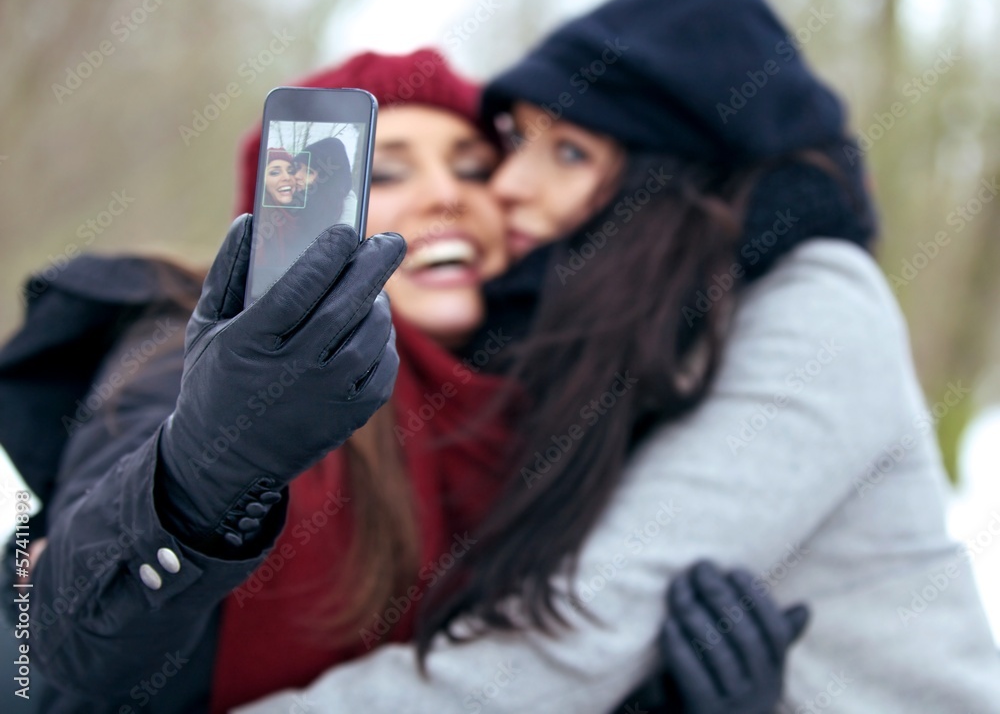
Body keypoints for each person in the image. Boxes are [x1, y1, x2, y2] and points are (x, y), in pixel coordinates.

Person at [233, 0, 1000, 714]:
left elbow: (571, 644)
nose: (506, 184)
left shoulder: (815, 309)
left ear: (664, 182)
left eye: (570, 153)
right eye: (517, 139)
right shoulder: (591, 331)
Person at [0, 48, 797, 713]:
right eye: (383, 174)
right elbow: (59, 644)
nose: (449, 195)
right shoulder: (183, 357)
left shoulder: (554, 423)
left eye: (475, 168)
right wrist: (209, 462)